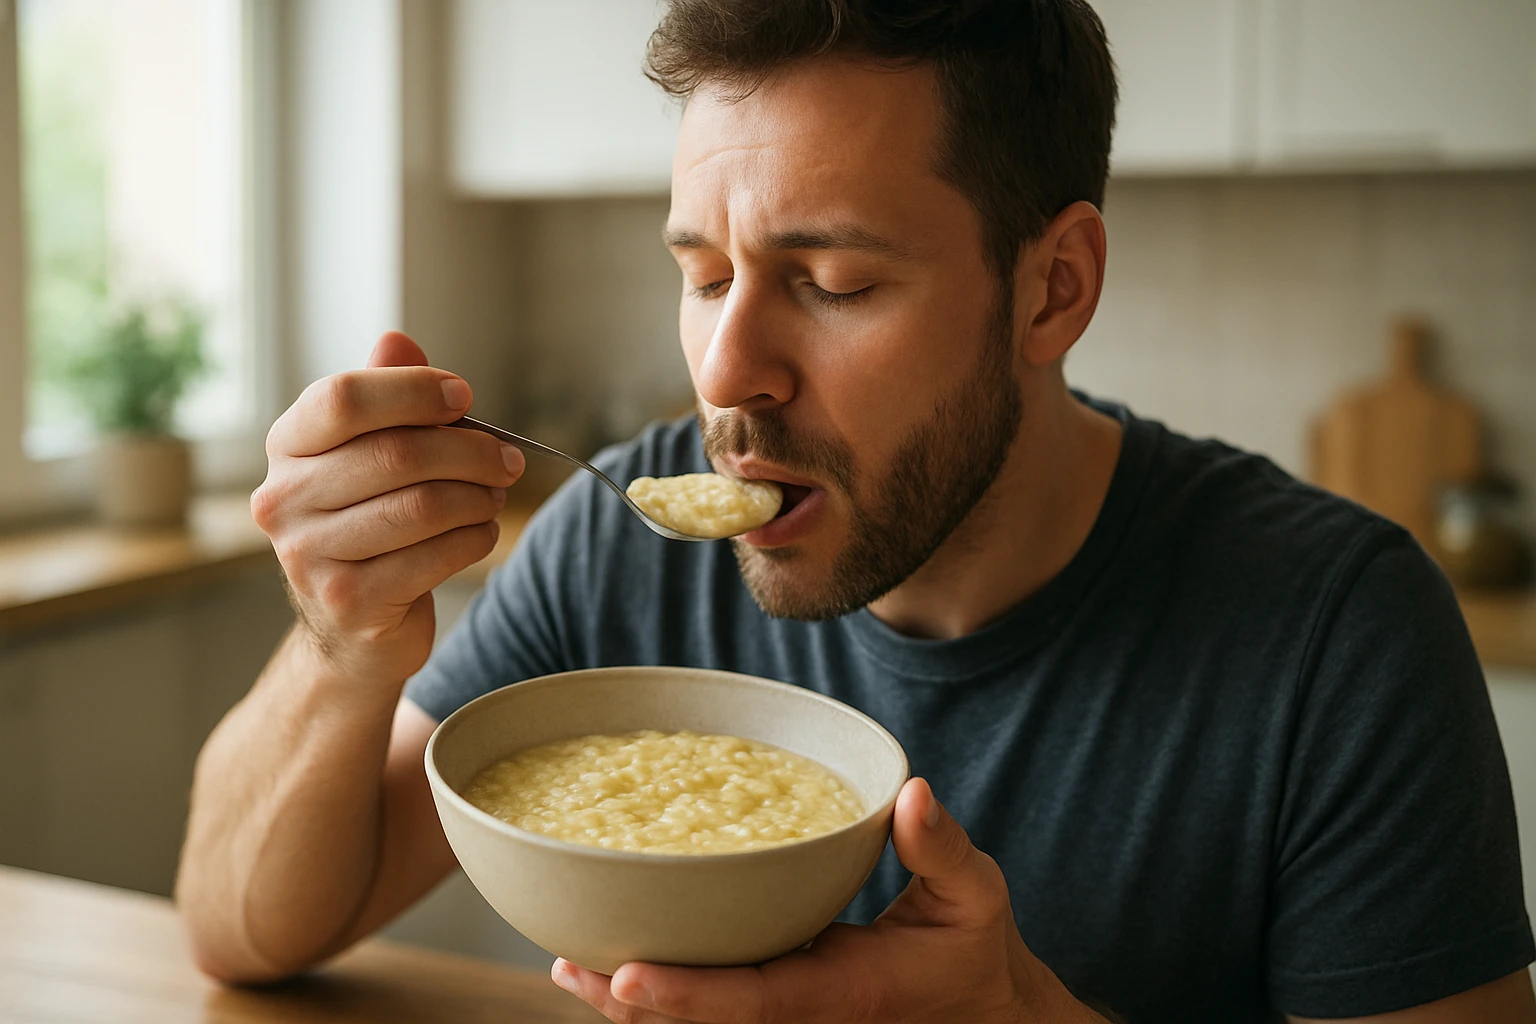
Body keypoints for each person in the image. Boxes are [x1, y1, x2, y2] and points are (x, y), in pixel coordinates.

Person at [176, 1, 1536, 1021]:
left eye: (829, 281)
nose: (725, 372)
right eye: (704, 276)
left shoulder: (1337, 634)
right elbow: (243, 929)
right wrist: (340, 647)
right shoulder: (618, 546)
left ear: (1053, 289)